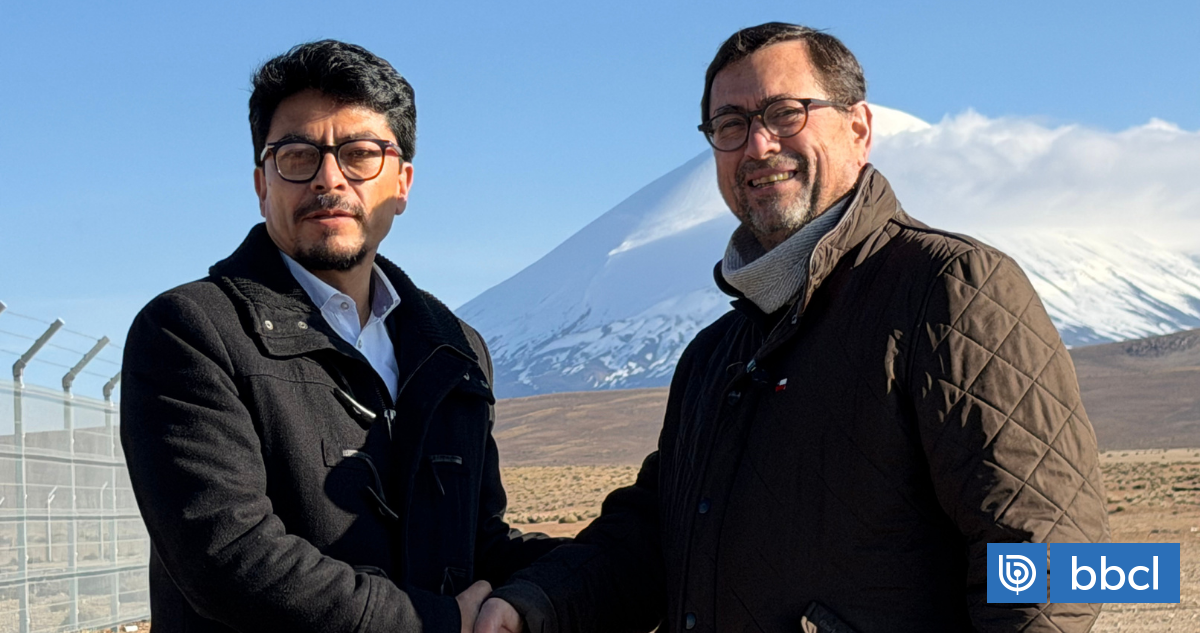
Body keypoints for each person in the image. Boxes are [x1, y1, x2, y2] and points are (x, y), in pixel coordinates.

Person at [478, 23, 1109, 633]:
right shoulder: (715, 355)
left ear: (859, 129)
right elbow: (653, 539)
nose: (757, 146)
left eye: (785, 114)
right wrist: (533, 605)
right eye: (731, 125)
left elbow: (1051, 553)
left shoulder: (948, 288)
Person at [120, 40, 559, 633]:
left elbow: (477, 544)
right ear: (262, 183)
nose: (329, 179)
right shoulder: (190, 331)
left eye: (359, 155)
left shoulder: (454, 350)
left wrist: (557, 590)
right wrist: (434, 624)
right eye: (298, 155)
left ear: (402, 183)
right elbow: (227, 557)